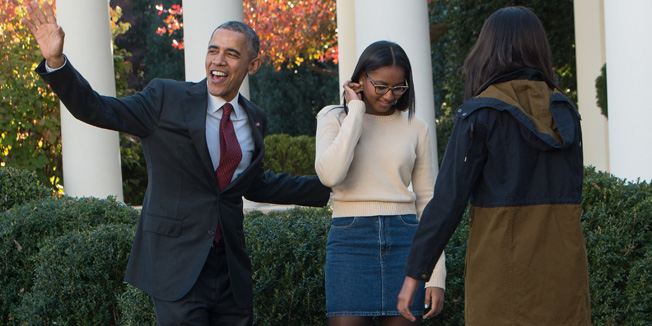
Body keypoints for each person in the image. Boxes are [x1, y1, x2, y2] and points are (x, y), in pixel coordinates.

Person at [22, 2, 331, 325]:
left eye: (231, 54)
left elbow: (256, 184)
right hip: (177, 267)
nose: (218, 61)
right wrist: (56, 62)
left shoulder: (254, 119)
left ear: (253, 65)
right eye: (214, 50)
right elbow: (97, 109)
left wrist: (333, 186)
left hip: (230, 273)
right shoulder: (164, 98)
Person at [397, 6, 591, 325]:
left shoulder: (480, 114)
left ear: (488, 50)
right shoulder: (565, 113)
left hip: (502, 272)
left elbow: (448, 201)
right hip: (564, 271)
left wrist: (415, 273)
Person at [315, 40, 446, 326]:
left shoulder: (416, 127)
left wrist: (435, 274)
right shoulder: (334, 118)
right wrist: (356, 112)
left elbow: (427, 202)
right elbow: (330, 175)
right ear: (360, 78)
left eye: (399, 88)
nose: (390, 96)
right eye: (381, 86)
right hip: (350, 242)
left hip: (405, 242)